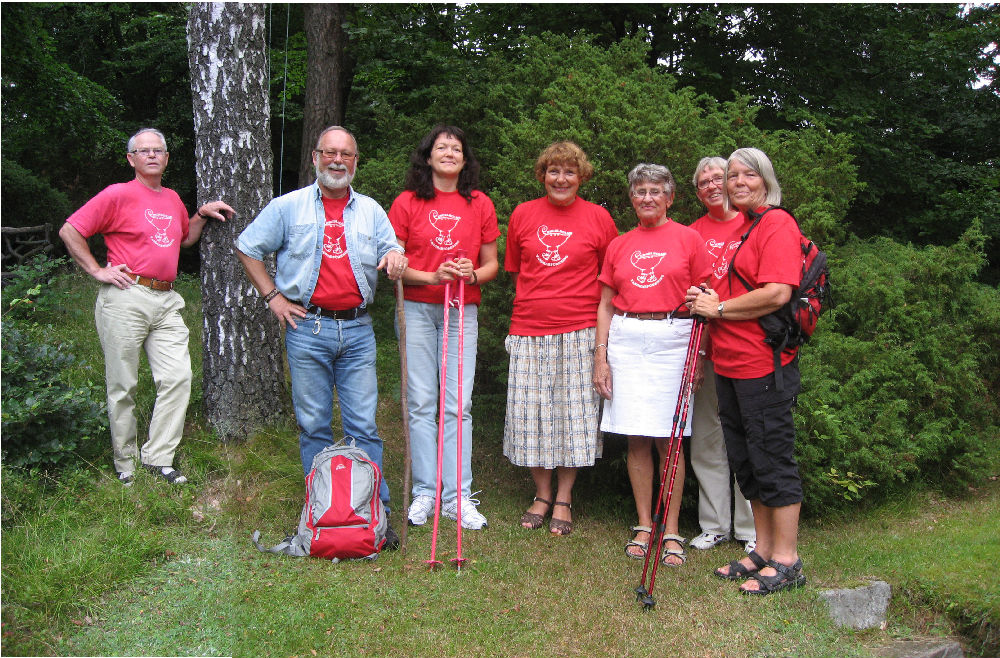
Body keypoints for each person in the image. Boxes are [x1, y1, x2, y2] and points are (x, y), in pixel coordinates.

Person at [236, 125, 407, 547]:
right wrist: (273, 296)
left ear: (355, 161)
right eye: (329, 153)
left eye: (345, 154)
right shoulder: (287, 207)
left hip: (358, 329)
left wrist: (395, 255)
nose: (337, 160)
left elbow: (393, 247)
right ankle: (323, 507)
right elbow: (247, 246)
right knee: (314, 424)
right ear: (315, 157)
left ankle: (373, 510)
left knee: (363, 426)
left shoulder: (370, 210)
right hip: (306, 327)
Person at [59, 127, 234, 486]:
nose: (152, 155)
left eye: (159, 150)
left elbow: (183, 239)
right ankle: (125, 465)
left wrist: (200, 214)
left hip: (166, 299)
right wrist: (96, 269)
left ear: (167, 158)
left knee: (177, 377)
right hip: (127, 295)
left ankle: (158, 457)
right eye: (144, 150)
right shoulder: (117, 194)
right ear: (131, 159)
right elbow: (70, 230)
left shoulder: (170, 198)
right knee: (123, 384)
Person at [687, 147, 807, 594]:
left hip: (764, 364)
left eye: (746, 175)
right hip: (729, 362)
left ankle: (787, 559)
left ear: (765, 180)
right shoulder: (746, 228)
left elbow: (777, 292)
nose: (736, 182)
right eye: (731, 175)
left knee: (773, 456)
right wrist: (705, 300)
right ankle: (762, 550)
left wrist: (717, 307)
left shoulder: (776, 223)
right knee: (745, 458)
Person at [593, 163, 712, 566]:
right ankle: (644, 523)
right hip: (627, 338)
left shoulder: (689, 239)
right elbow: (606, 304)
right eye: (640, 191)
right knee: (637, 438)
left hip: (674, 338)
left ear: (670, 197)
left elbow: (704, 300)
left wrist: (698, 355)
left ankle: (672, 528)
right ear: (632, 198)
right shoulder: (620, 244)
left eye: (655, 191)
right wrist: (601, 355)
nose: (647, 198)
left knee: (670, 438)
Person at [503, 142, 619, 536]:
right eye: (554, 171)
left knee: (575, 418)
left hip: (581, 329)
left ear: (581, 177)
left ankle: (565, 497)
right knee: (531, 415)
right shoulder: (522, 214)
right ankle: (541, 493)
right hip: (529, 330)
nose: (561, 179)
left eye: (570, 171)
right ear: (542, 175)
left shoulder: (600, 218)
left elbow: (610, 282)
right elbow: (519, 273)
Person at [388, 125, 500, 530]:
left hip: (460, 310)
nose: (449, 152)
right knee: (421, 403)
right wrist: (432, 276)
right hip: (416, 310)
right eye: (441, 147)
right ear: (428, 156)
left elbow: (492, 265)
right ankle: (425, 492)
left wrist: (471, 274)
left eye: (456, 148)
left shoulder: (480, 203)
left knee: (458, 405)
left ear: (465, 160)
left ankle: (458, 496)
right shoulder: (406, 202)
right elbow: (393, 264)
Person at [686, 157, 757, 553]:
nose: (712, 186)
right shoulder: (692, 231)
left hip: (747, 345)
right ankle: (715, 524)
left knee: (747, 434)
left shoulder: (754, 223)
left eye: (719, 178)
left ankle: (751, 528)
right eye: (703, 182)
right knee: (708, 438)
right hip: (705, 348)